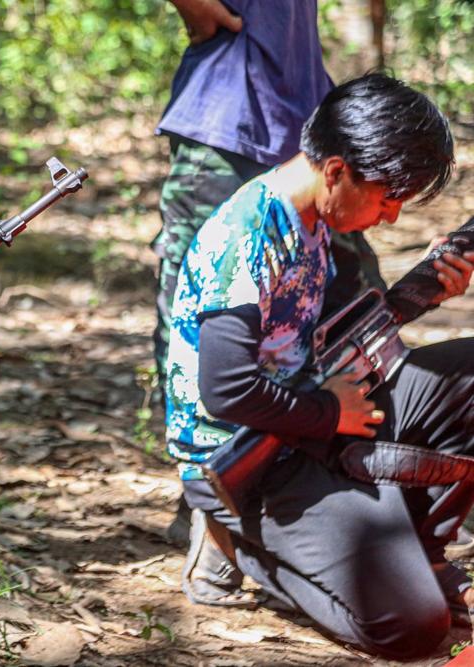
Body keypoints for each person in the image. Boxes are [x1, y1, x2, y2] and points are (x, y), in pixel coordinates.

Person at [165, 73, 472, 658]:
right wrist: (331, 412)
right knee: (413, 627)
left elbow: (342, 329)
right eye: (386, 200)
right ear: (336, 171)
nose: (390, 218)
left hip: (312, 410)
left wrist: (429, 285)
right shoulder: (248, 235)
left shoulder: (319, 217)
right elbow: (227, 389)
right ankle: (244, 546)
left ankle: (423, 553)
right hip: (249, 457)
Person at [155, 0, 387, 546]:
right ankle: (210, 497)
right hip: (231, 113)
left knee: (355, 296)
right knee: (211, 314)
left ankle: (335, 463)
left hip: (305, 113)